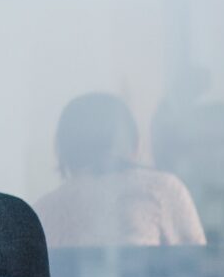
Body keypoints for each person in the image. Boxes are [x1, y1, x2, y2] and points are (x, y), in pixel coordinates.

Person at [33, 92, 204, 248]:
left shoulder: (41, 211)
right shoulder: (160, 189)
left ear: (64, 150)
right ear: (134, 143)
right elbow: (198, 266)